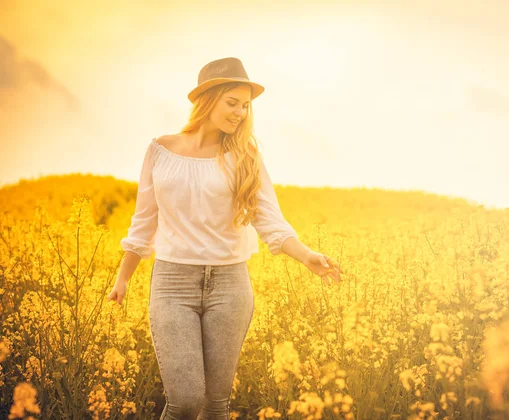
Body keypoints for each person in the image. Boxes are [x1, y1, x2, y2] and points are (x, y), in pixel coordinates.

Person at [107, 57, 343, 420]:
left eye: (245, 105)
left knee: (215, 406)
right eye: (232, 102)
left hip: (230, 285)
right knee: (184, 402)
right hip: (172, 283)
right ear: (208, 99)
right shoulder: (160, 150)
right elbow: (144, 221)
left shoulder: (245, 156)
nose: (240, 112)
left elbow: (271, 221)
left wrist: (306, 255)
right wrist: (123, 277)